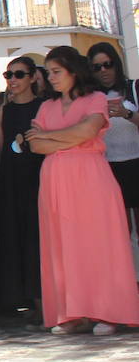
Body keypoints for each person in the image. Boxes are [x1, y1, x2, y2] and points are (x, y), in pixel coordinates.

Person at [26, 46, 139, 334]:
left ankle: (107, 312)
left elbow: (88, 131)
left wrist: (50, 136)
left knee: (98, 242)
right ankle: (72, 312)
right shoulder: (46, 106)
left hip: (90, 175)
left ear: (73, 71)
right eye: (48, 73)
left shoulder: (96, 99)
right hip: (54, 178)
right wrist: (68, 137)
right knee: (63, 244)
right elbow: (35, 145)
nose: (50, 78)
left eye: (56, 72)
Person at [0, 56, 45, 324]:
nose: (12, 80)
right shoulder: (4, 112)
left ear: (33, 77)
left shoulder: (45, 107)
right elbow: (0, 150)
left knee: (41, 239)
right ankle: (31, 302)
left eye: (19, 74)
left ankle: (47, 302)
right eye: (8, 74)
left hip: (40, 178)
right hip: (12, 182)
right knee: (20, 241)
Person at [85, 42, 139, 212]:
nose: (103, 70)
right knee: (118, 221)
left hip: (136, 161)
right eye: (96, 67)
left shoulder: (134, 88)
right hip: (106, 165)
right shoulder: (90, 97)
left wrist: (127, 114)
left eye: (108, 64)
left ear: (117, 63)